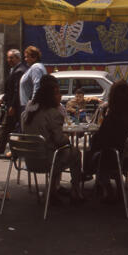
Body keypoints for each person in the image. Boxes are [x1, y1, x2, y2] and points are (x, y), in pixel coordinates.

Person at [21, 74, 84, 203]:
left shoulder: (29, 113)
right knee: (76, 153)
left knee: (57, 151)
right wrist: (66, 138)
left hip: (30, 160)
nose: (60, 96)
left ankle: (53, 191)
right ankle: (75, 192)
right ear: (50, 97)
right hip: (48, 161)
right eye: (57, 93)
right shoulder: (53, 113)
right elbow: (60, 140)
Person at [87, 80, 128, 203]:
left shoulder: (112, 117)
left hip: (120, 160)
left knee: (98, 156)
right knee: (111, 154)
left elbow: (101, 140)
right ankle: (118, 189)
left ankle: (108, 189)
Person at [0, 48, 26, 157]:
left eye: (11, 58)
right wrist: (4, 98)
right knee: (8, 129)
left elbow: (17, 91)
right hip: (11, 104)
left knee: (6, 128)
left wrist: (12, 106)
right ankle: (4, 151)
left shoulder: (20, 70)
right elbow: (10, 90)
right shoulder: (14, 70)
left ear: (17, 58)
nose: (9, 60)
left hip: (15, 106)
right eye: (8, 58)